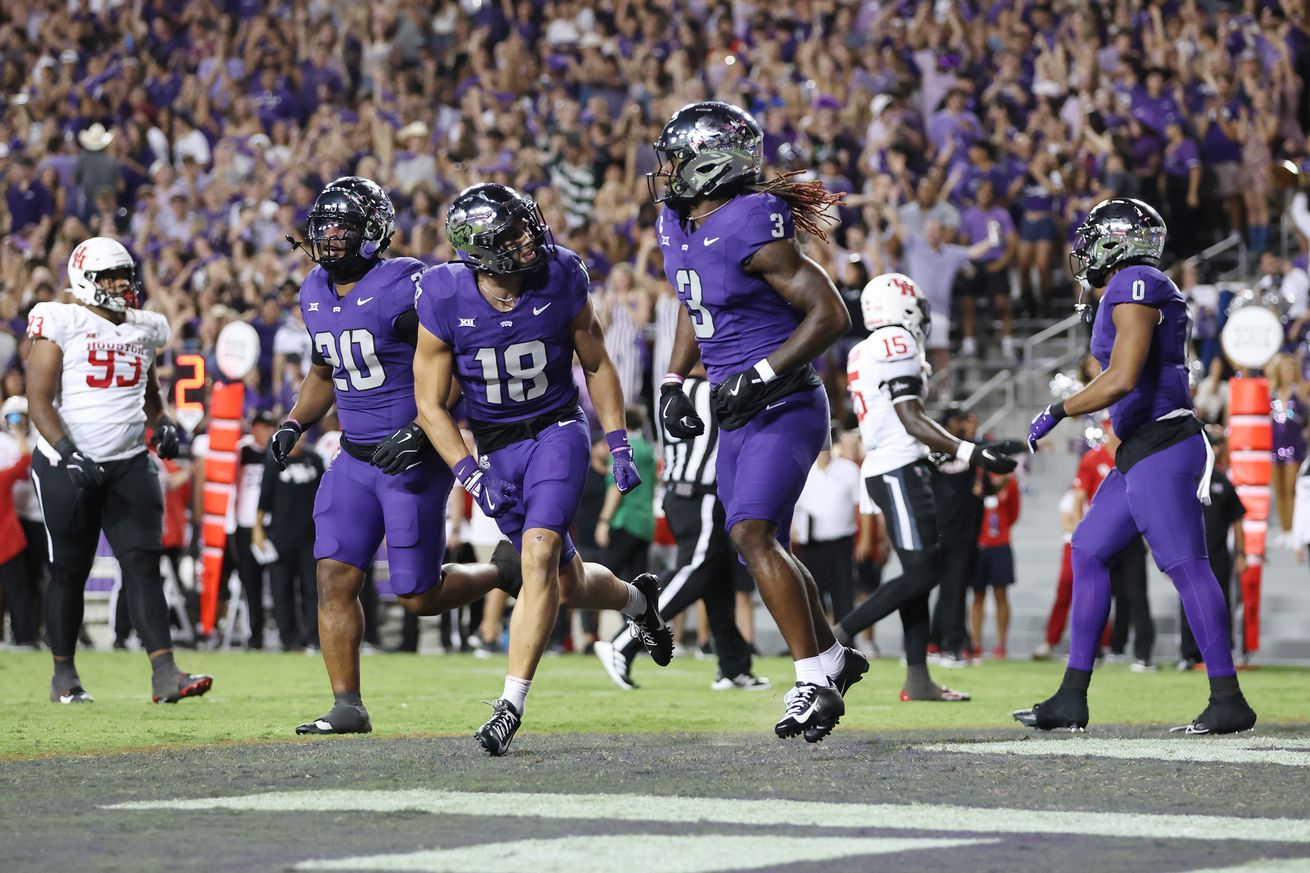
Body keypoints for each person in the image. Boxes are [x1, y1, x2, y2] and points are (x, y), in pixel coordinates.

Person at [413, 182, 672, 756]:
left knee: (535, 555)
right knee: (562, 582)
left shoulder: (561, 274)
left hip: (557, 430)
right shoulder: (442, 294)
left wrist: (618, 441)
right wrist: (468, 471)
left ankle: (510, 704)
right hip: (496, 446)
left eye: (527, 225)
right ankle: (637, 602)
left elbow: (596, 358)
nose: (529, 239)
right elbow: (429, 405)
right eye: (511, 236)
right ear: (480, 250)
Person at [276, 177, 520, 736]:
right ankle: (347, 704)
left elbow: (454, 361)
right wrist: (294, 421)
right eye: (325, 229)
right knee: (334, 576)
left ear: (373, 233)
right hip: (353, 460)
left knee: (417, 595)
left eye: (344, 229)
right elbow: (324, 371)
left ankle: (499, 572)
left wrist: (419, 427)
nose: (331, 240)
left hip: (411, 457)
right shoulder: (312, 289)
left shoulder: (406, 285)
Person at [652, 101, 865, 742]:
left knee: (749, 534)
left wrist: (762, 373)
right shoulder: (679, 219)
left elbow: (830, 316)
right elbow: (696, 298)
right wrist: (673, 378)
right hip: (735, 407)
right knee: (761, 540)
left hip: (786, 401)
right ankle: (833, 659)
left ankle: (812, 681)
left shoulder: (750, 220)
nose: (667, 172)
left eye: (679, 159)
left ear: (713, 163)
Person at [1020, 198, 1257, 734]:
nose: (1084, 252)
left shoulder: (1137, 281)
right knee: (1087, 550)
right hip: (1141, 448)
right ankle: (1071, 697)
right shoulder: (1133, 285)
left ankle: (1227, 698)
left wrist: (1058, 409)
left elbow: (1123, 376)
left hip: (1164, 441)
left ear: (1116, 240)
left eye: (1092, 239)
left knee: (1186, 565)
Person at [24, 236, 210, 704]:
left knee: (143, 564)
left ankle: (165, 673)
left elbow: (146, 391)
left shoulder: (144, 328)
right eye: (110, 276)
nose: (122, 284)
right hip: (66, 462)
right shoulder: (61, 319)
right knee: (69, 570)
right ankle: (63, 675)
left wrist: (162, 421)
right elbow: (39, 400)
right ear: (85, 280)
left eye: (125, 274)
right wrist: (68, 453)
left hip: (129, 459)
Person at [840, 273, 1018, 700]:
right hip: (897, 468)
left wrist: (944, 451)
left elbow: (898, 421)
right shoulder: (895, 342)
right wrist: (970, 452)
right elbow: (910, 418)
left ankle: (917, 679)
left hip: (897, 463)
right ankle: (834, 637)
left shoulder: (867, 348)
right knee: (925, 572)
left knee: (917, 575)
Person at [594, 367, 766, 692]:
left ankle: (733, 666)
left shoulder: (671, 394)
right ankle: (623, 641)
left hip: (683, 493)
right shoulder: (712, 391)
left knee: (718, 582)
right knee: (695, 568)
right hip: (699, 493)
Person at [1180, 428, 1245, 670]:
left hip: (1218, 554)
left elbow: (1237, 520)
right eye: (1212, 444)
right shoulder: (1187, 478)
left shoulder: (1222, 482)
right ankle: (1189, 655)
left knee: (1220, 604)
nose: (1216, 449)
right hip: (1190, 553)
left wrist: (1241, 553)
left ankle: (1221, 655)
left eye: (1218, 444)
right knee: (1189, 602)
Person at [256, 430, 325, 650]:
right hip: (280, 537)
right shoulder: (275, 460)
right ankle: (289, 639)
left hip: (310, 537)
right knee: (281, 589)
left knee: (312, 590)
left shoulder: (314, 460)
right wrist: (258, 530)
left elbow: (325, 496)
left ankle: (314, 638)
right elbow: (263, 499)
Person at [794, 445, 862, 624]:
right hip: (811, 543)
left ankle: (846, 639)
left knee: (843, 592)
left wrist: (863, 540)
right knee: (812, 593)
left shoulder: (849, 469)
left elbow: (859, 506)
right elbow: (793, 506)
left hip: (841, 542)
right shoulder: (803, 470)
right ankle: (818, 643)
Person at [969, 470, 1020, 659]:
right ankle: (976, 643)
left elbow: (1014, 513)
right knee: (977, 594)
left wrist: (1001, 531)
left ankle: (1001, 645)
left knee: (1001, 594)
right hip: (979, 544)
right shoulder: (978, 477)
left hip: (1001, 544)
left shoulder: (1009, 480)